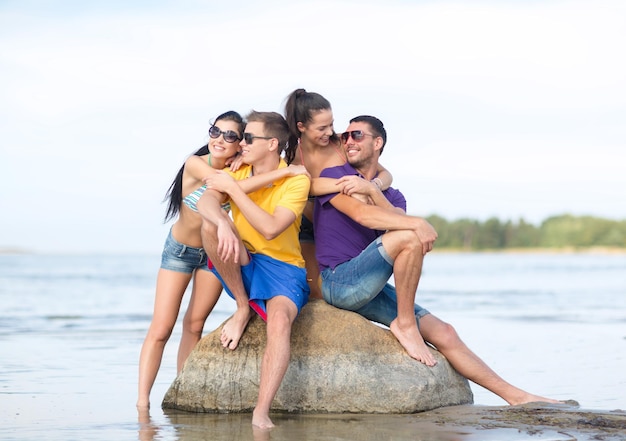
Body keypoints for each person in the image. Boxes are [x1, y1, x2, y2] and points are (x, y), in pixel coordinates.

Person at [314, 115, 559, 405]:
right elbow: (364, 216)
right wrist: (415, 222)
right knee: (410, 235)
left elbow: (398, 220)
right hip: (338, 282)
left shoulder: (392, 194)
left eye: (356, 135)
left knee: (445, 331)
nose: (347, 141)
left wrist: (373, 190)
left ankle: (519, 397)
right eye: (344, 136)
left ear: (377, 143)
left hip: (369, 287)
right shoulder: (337, 178)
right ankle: (405, 324)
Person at [137, 110, 307, 410]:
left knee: (194, 324)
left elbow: (253, 209)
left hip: (218, 255)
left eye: (233, 136)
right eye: (215, 132)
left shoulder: (240, 167)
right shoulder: (201, 164)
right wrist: (225, 220)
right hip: (183, 249)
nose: (221, 140)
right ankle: (141, 405)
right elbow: (209, 198)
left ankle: (183, 387)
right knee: (161, 328)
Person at [197, 110, 310, 429]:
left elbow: (272, 228)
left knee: (278, 322)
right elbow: (206, 202)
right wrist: (221, 220)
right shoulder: (240, 168)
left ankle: (261, 412)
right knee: (209, 227)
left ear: (272, 144)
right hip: (245, 259)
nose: (241, 143)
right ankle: (242, 307)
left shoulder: (297, 178)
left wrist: (232, 192)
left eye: (248, 138)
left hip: (285, 269)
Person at [282, 88, 394, 299]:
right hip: (308, 226)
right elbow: (306, 186)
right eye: (322, 127)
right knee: (316, 294)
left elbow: (386, 173)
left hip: (343, 223)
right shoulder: (293, 157)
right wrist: (345, 184)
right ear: (301, 127)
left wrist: (373, 185)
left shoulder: (341, 143)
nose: (330, 131)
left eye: (331, 124)